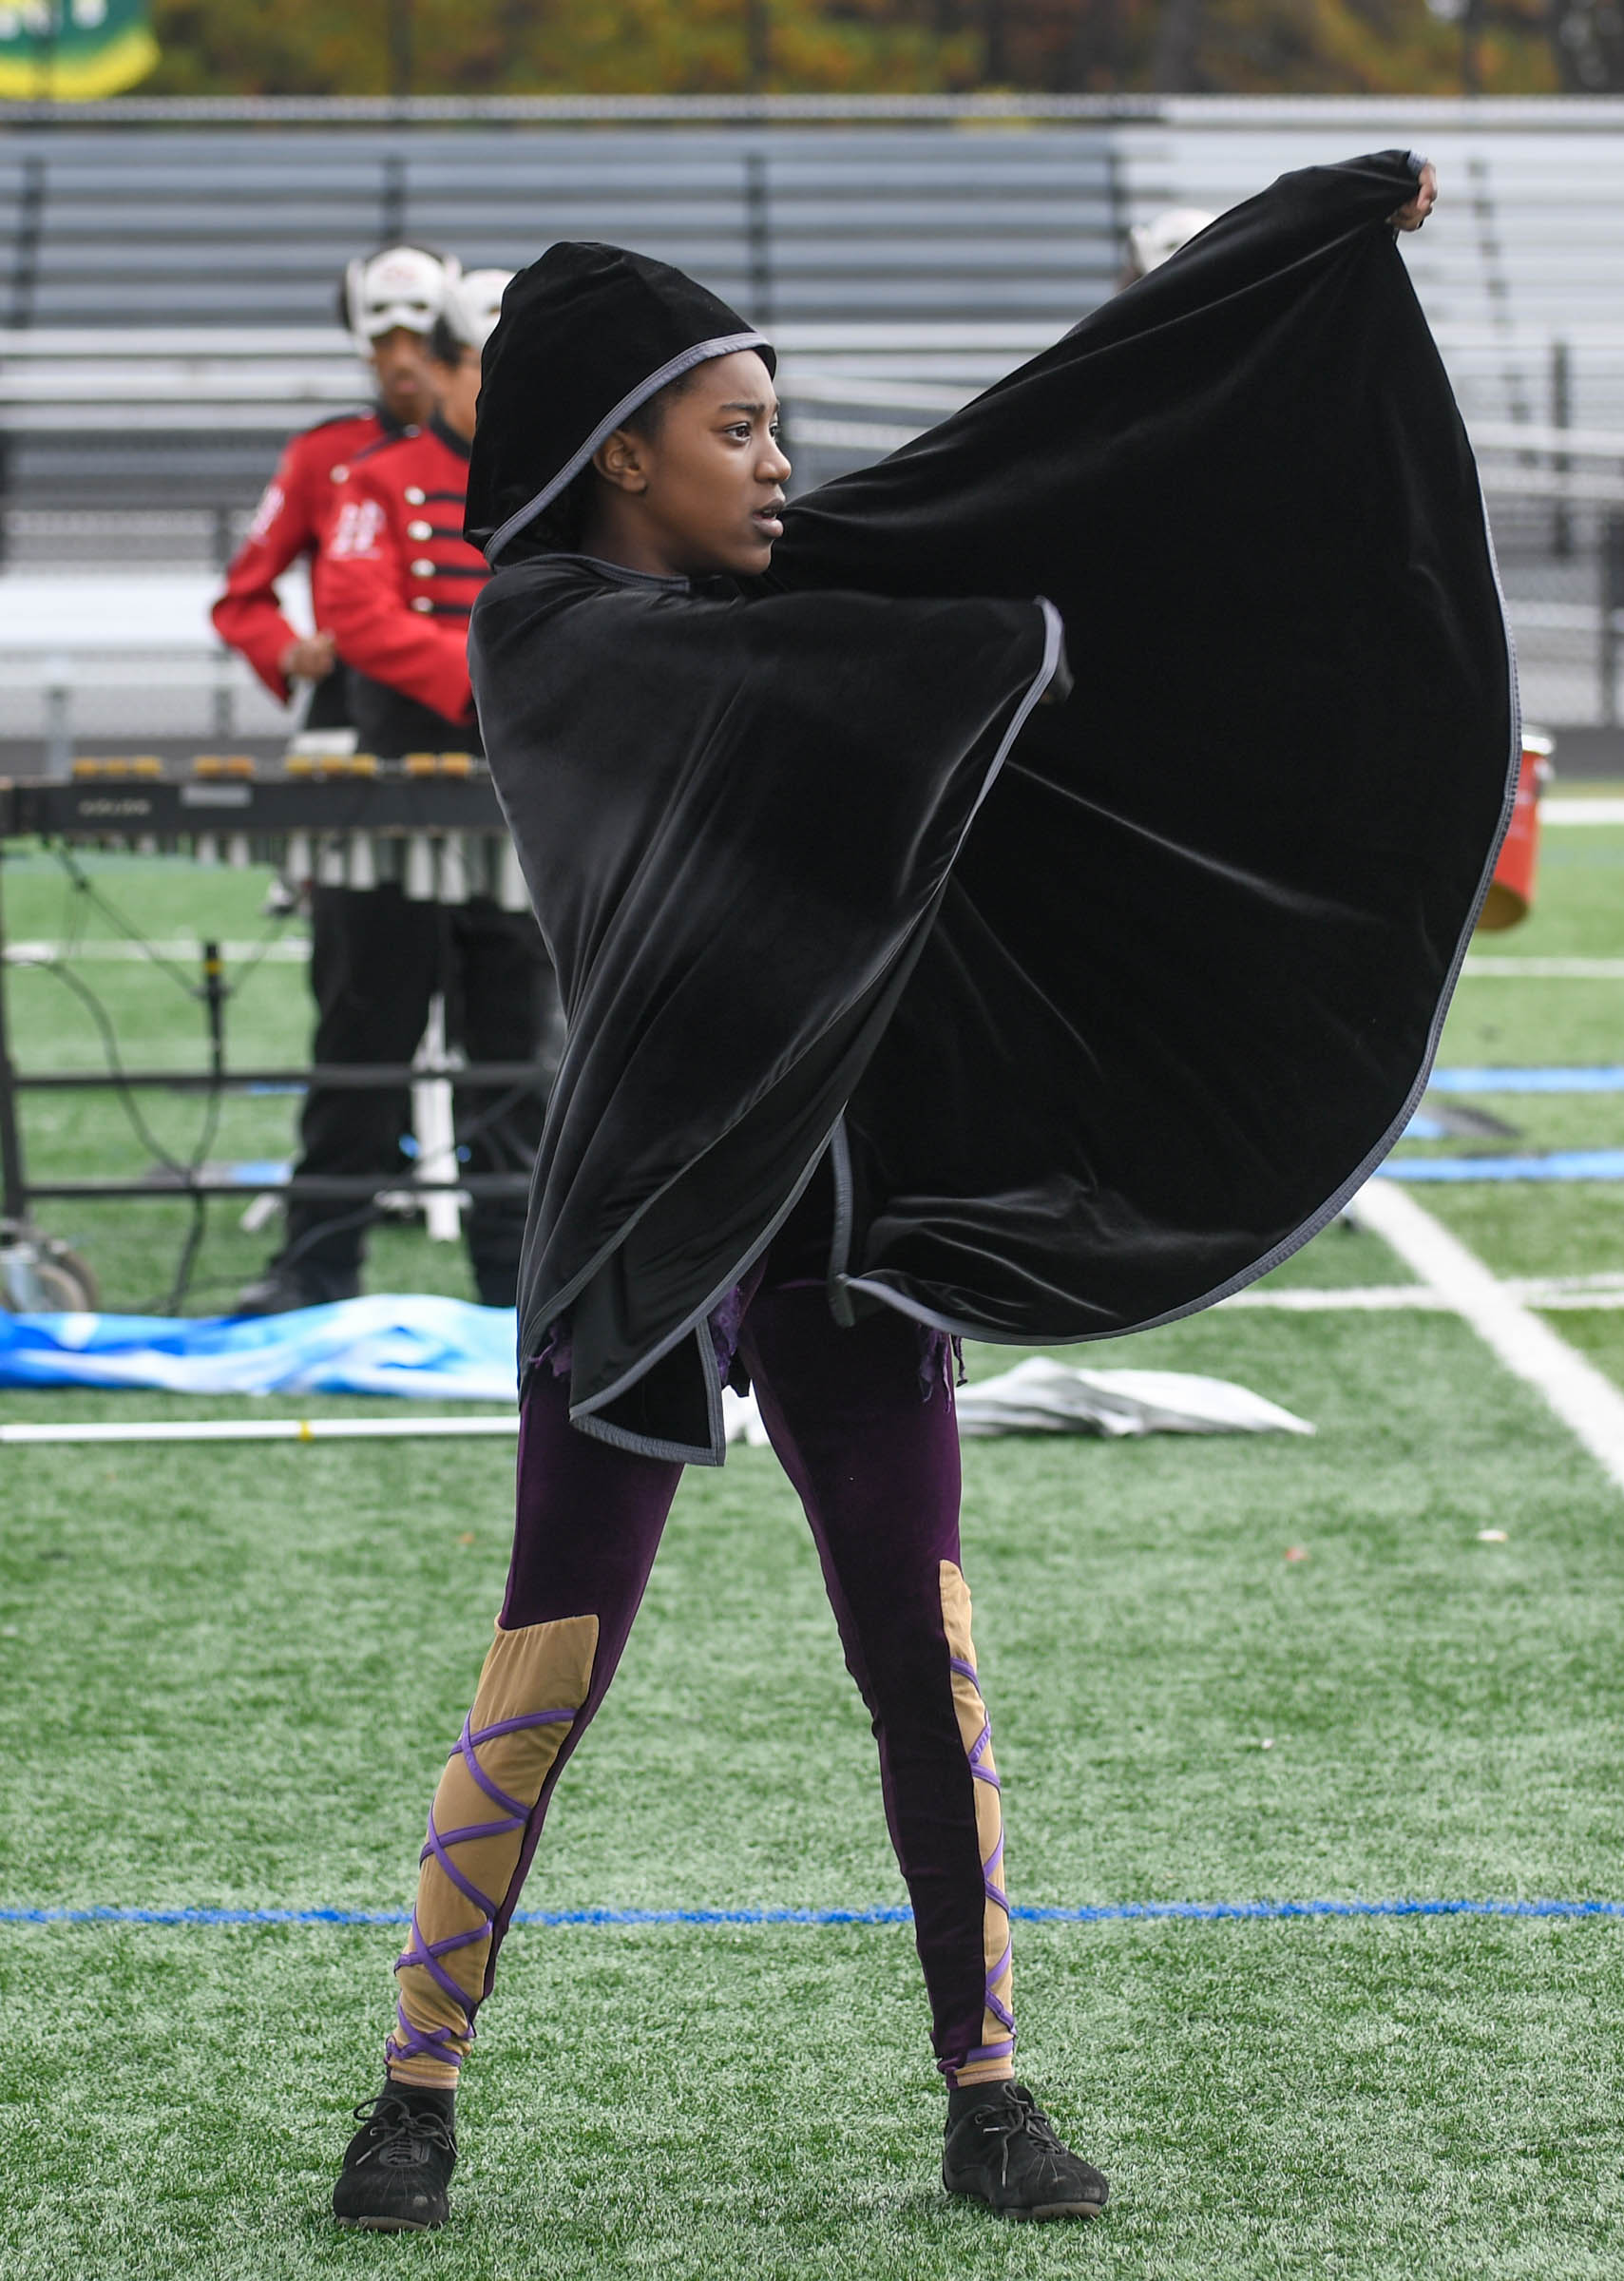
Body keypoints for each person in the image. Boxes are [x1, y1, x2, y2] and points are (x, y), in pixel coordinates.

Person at [333, 150, 1502, 2235]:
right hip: (647, 1218)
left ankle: (989, 2090)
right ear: (622, 456)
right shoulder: (551, 635)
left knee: (922, 1657)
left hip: (851, 1215)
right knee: (551, 1654)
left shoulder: (773, 584)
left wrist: (1286, 251)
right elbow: (794, 693)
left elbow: (1037, 456)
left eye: (781, 425)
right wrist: (992, 647)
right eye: (738, 427)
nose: (783, 465)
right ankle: (413, 2091)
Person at [237, 268, 554, 1315]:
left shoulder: (558, 489)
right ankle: (316, 1270)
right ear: (460, 367)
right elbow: (359, 615)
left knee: (514, 1051)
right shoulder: (377, 477)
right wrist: (492, 682)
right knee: (361, 1044)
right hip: (389, 793)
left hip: (514, 804)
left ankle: (514, 1290)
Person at [211, 243, 458, 744]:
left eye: (419, 340)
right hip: (353, 705)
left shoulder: (490, 452)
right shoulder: (322, 454)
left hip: (472, 698)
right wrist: (289, 650)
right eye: (387, 342)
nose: (404, 360)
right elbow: (242, 599)